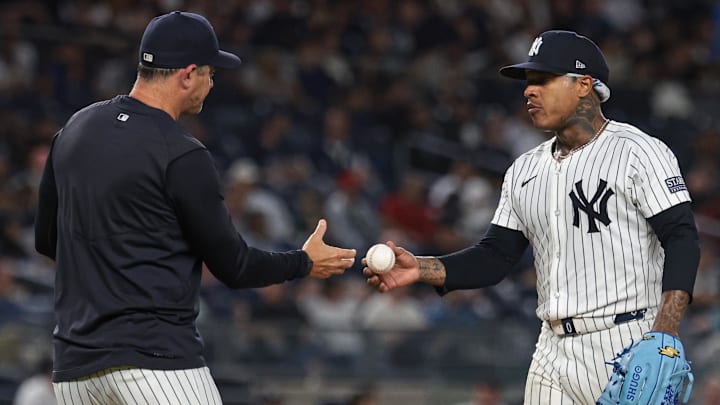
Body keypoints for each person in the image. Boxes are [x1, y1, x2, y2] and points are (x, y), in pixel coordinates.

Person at [33, 11, 356, 405]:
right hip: (157, 365)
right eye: (209, 72)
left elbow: (47, 240)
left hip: (75, 370)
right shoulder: (181, 153)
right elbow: (234, 267)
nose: (211, 81)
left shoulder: (73, 130)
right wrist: (303, 262)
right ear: (187, 74)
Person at [363, 30, 700, 404]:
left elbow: (681, 236)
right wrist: (420, 269)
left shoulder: (639, 152)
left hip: (627, 340)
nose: (529, 90)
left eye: (543, 80)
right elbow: (494, 257)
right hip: (551, 349)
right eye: (528, 81)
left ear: (584, 85)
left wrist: (667, 328)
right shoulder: (524, 169)